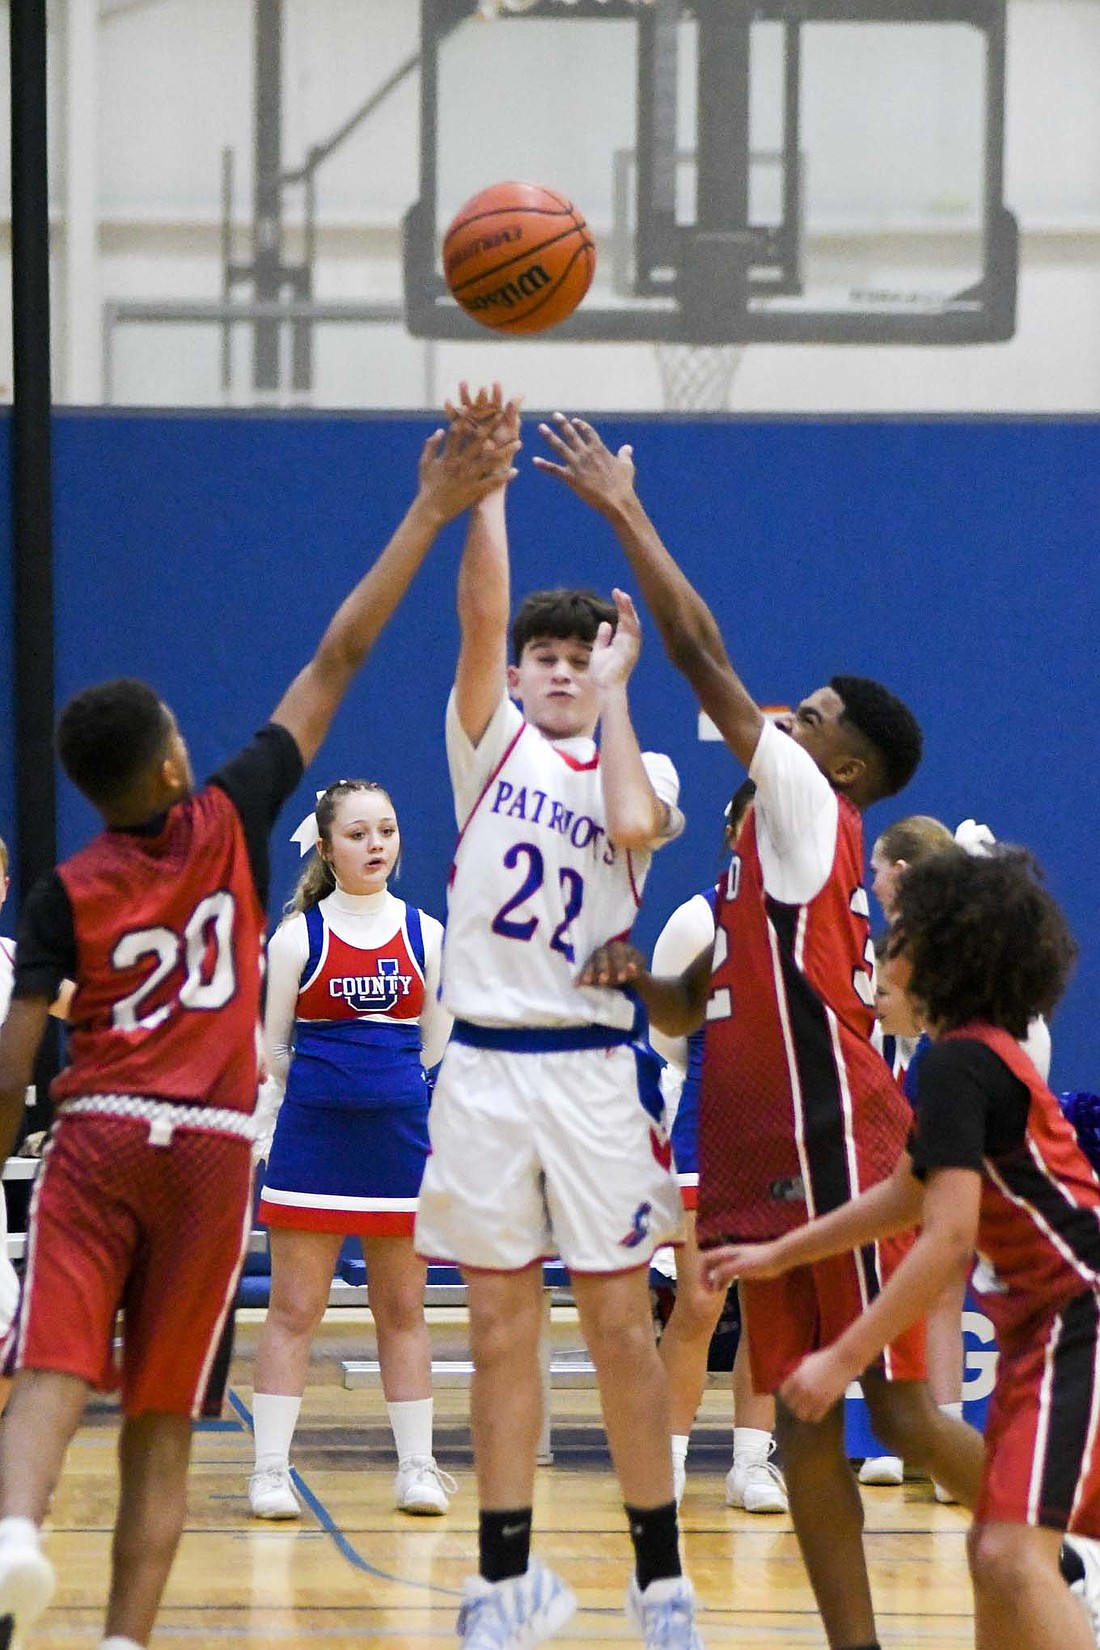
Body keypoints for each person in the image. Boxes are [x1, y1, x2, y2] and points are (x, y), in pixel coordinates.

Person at [0, 412, 519, 1650]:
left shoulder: (63, 891)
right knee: (165, 1420)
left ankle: (16, 1530)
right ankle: (126, 1638)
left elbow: (20, 1051)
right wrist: (431, 508)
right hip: (216, 1146)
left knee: (49, 1372)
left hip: (102, 1134)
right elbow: (338, 654)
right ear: (177, 762)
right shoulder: (233, 819)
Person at [540, 412, 985, 1650]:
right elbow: (705, 1007)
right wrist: (646, 984)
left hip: (827, 1142)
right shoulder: (753, 846)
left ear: (846, 767)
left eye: (821, 711)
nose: (795, 711)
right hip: (758, 1155)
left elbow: (697, 649)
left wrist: (622, 512)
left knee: (885, 1418)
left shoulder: (799, 803)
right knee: (797, 1425)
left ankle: (1072, 1544)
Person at [413, 386, 703, 1650]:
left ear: (607, 666)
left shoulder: (638, 764)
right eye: (547, 658)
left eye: (584, 657)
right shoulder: (485, 745)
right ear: (518, 677)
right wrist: (486, 490)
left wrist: (630, 691)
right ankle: (503, 1582)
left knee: (619, 1329)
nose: (562, 672)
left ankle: (661, 1585)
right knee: (493, 1329)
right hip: (480, 1072)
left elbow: (635, 828)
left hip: (592, 1075)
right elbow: (482, 611)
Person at [703, 847, 1098, 1650]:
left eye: (895, 943)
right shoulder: (969, 1057)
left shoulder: (959, 1064)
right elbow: (904, 1197)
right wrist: (779, 1257)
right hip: (1047, 1331)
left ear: (943, 961)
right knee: (997, 1549)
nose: (877, 964)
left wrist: (841, 1357)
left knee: (1009, 1554)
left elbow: (947, 1236)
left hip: (1078, 1322)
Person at [247, 778, 454, 1521]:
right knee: (293, 1309)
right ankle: (270, 1471)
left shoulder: (427, 932)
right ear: (328, 847)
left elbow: (436, 1040)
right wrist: (269, 1138)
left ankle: (418, 1468)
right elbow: (271, 1048)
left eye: (387, 831)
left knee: (403, 1309)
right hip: (314, 1142)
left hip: (400, 1145)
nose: (376, 845)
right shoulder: (297, 937)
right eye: (360, 833)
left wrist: (399, 1095)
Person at [648, 783, 788, 1514]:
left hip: (785, 1145)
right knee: (700, 1306)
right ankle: (664, 1464)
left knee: (772, 1309)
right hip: (708, 1137)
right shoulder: (695, 919)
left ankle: (750, 1464)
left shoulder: (812, 923)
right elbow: (667, 1047)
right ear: (732, 830)